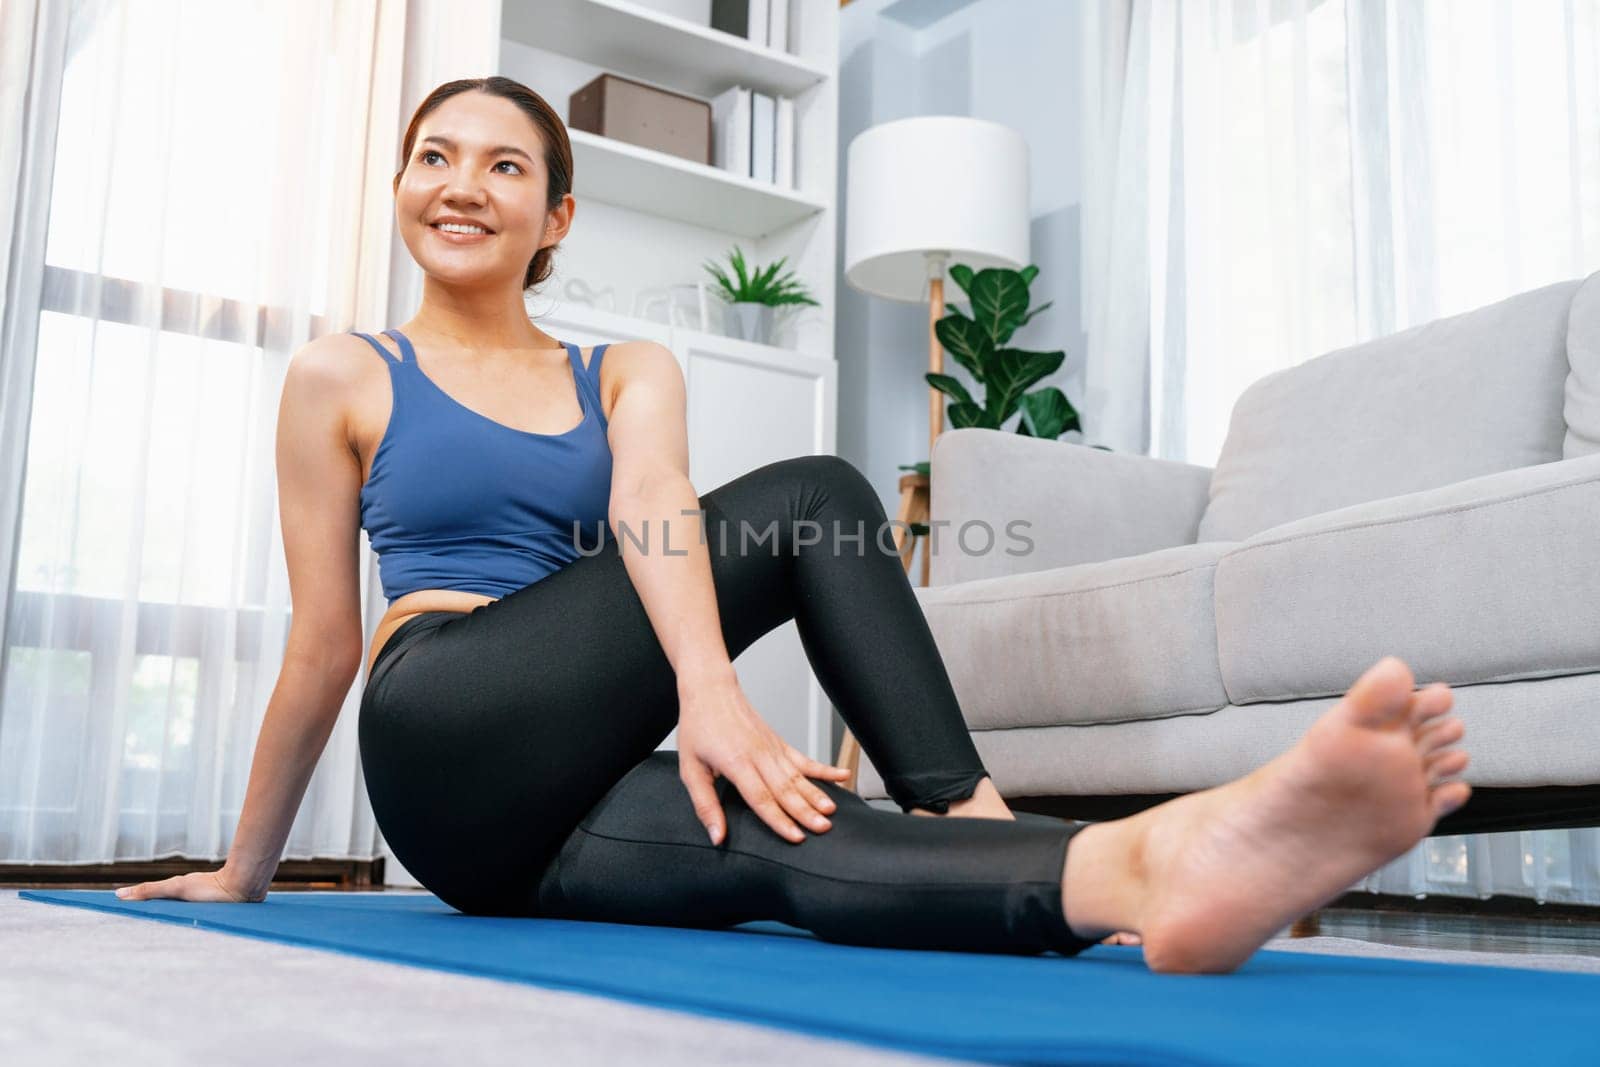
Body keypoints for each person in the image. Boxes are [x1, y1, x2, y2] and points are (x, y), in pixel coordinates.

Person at [114, 77, 1472, 975]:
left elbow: (653, 506)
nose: (462, 184)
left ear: (555, 215)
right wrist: (248, 870)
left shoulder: (624, 371)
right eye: (434, 157)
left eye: (505, 166)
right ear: (403, 187)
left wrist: (708, 708)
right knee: (817, 495)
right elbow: (320, 645)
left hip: (545, 817)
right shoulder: (345, 375)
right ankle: (973, 805)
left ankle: (1146, 871)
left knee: (787, 829)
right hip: (440, 739)